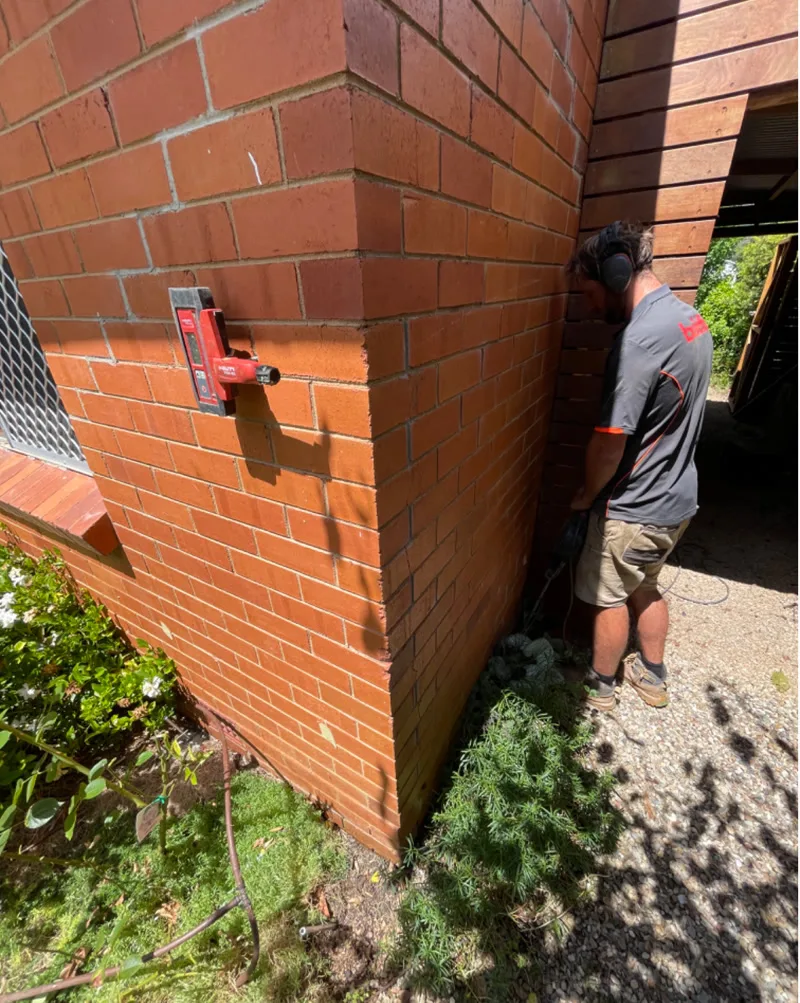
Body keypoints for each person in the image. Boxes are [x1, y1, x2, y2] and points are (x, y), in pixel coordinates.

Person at [566, 221, 712, 711]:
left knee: (609, 595)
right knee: (645, 585)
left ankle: (600, 686)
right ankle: (652, 676)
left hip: (636, 504)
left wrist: (587, 496)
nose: (588, 306)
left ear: (614, 273)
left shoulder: (639, 342)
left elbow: (610, 439)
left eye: (588, 292)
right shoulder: (689, 320)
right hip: (676, 501)